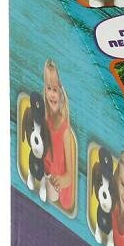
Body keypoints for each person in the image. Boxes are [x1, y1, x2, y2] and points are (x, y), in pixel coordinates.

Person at [43, 60, 76, 214]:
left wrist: (60, 180)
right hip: (47, 180)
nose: (51, 94)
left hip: (61, 194)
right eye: (49, 88)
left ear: (62, 93)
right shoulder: (46, 120)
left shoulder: (65, 132)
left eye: (55, 89)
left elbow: (70, 177)